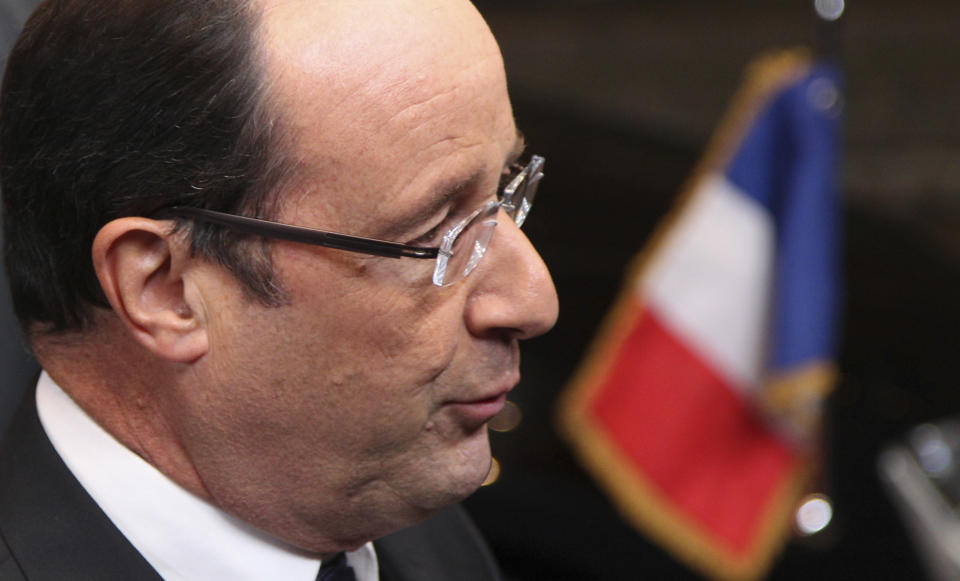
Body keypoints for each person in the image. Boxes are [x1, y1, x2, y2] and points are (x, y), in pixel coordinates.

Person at [0, 0, 558, 579]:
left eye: (508, 189)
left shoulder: (408, 522)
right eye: (433, 233)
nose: (535, 299)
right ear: (166, 290)